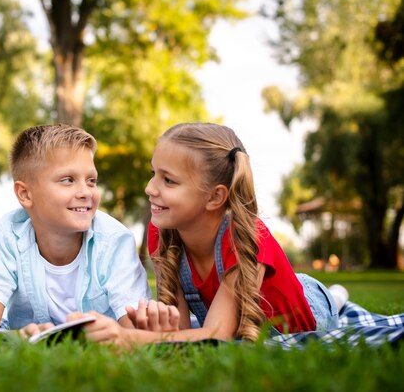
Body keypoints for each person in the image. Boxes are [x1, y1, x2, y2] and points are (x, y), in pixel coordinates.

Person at [69, 122, 340, 347]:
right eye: (154, 174)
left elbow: (216, 336)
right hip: (230, 316)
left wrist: (128, 338)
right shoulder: (161, 230)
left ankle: (337, 297)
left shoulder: (247, 238)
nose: (150, 188)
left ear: (215, 197)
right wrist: (154, 329)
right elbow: (179, 333)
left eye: (168, 180)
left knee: (329, 300)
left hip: (306, 310)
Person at [0, 124, 151, 333]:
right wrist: (17, 336)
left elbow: (135, 333)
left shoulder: (115, 241)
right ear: (25, 194)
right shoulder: (6, 236)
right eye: (68, 180)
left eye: (91, 180)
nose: (85, 192)